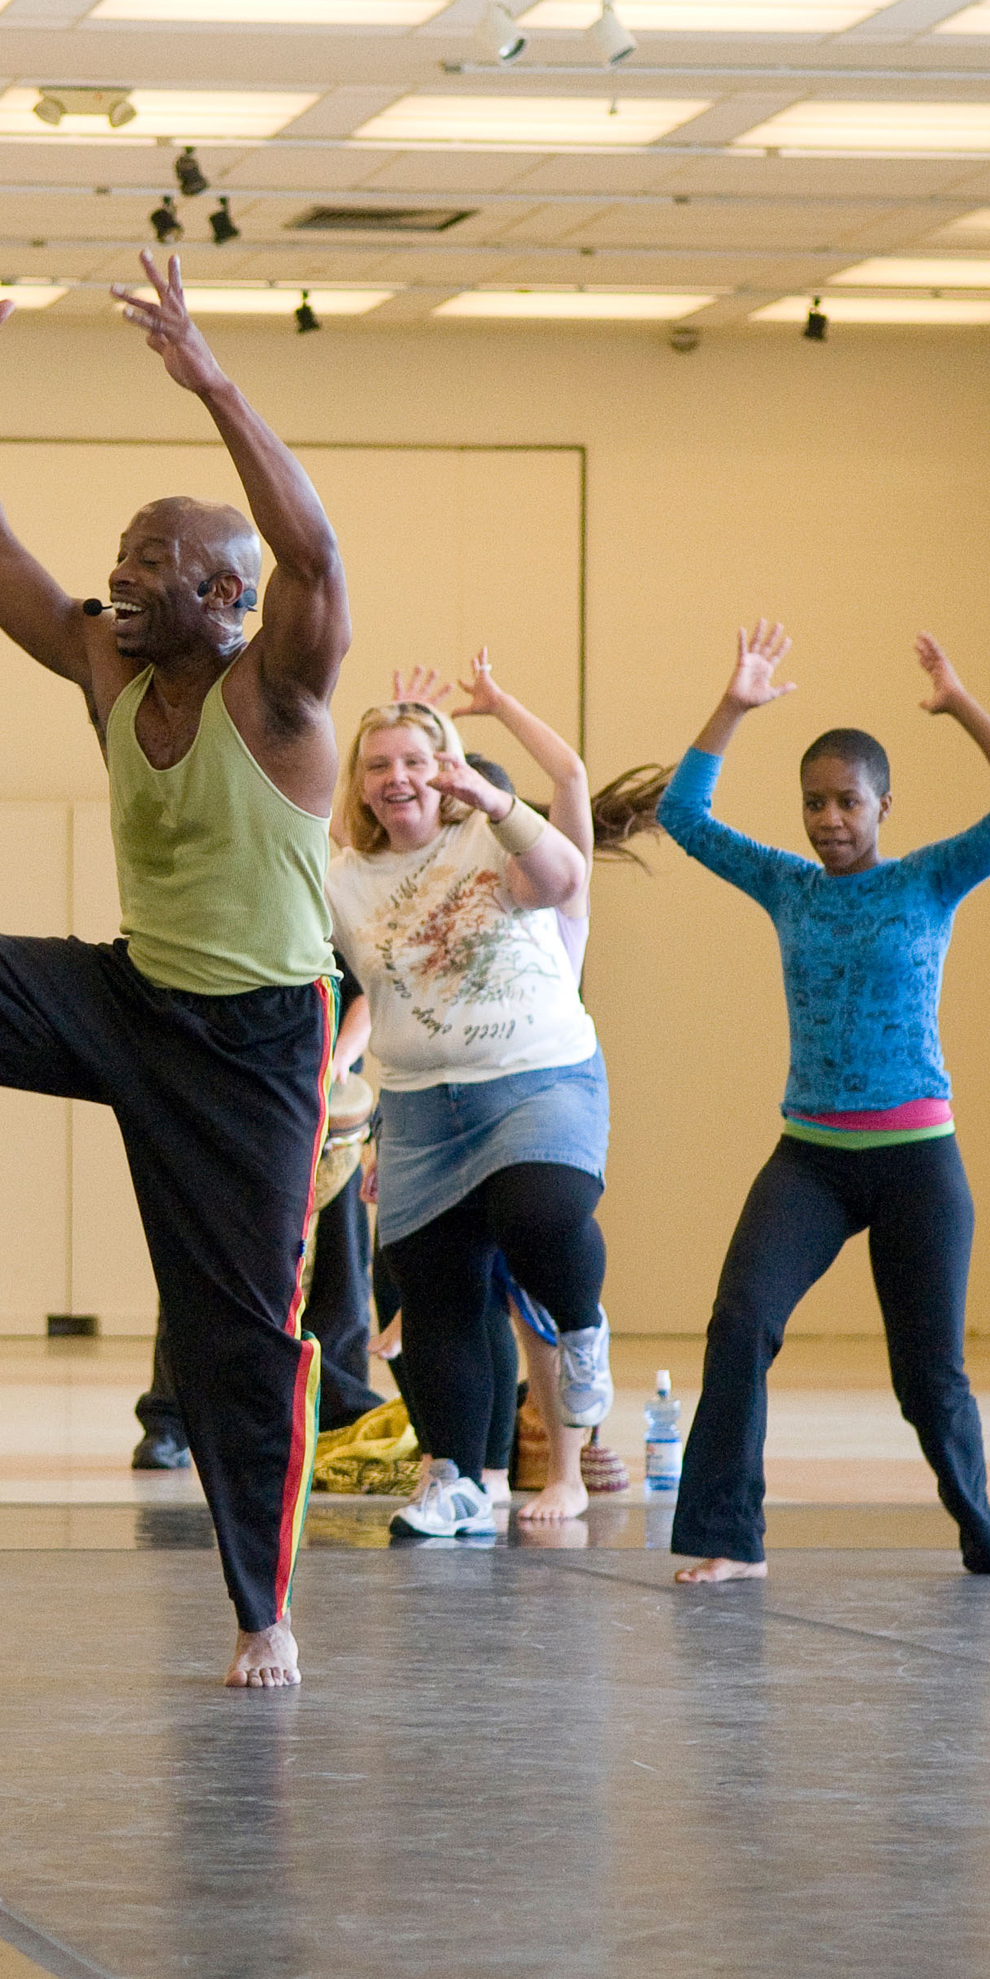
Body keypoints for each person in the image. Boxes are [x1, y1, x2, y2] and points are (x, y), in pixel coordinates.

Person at [0, 244, 349, 1692]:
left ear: (226, 596)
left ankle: (263, 1605)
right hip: (128, 995)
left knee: (236, 1336)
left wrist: (215, 382)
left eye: (155, 559)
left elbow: (317, 556)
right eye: (124, 550)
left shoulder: (274, 688)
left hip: (254, 1043)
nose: (121, 570)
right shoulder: (110, 663)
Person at [659, 621, 990, 1583]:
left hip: (917, 1159)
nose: (829, 818)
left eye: (847, 801)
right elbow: (684, 812)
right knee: (740, 1321)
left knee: (927, 1376)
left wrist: (960, 704)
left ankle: (978, 1520)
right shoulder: (789, 886)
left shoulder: (929, 878)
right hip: (812, 1158)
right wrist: (734, 707)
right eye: (813, 803)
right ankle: (727, 1540)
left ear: (884, 804)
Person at [327, 659, 621, 1541]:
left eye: (414, 760)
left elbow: (566, 878)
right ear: (361, 784)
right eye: (378, 764)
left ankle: (580, 1331)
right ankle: (456, 1479)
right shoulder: (342, 878)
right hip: (420, 1106)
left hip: (538, 1076)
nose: (397, 778)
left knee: (540, 1209)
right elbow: (353, 989)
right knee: (435, 1287)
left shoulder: (490, 839)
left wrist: (493, 800)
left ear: (446, 766)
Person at [132, 967, 384, 1472]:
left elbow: (369, 995)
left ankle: (335, 1413)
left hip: (315, 1096)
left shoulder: (326, 903)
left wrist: (339, 1060)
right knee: (205, 1255)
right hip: (229, 1091)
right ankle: (173, 1416)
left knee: (341, 1261)